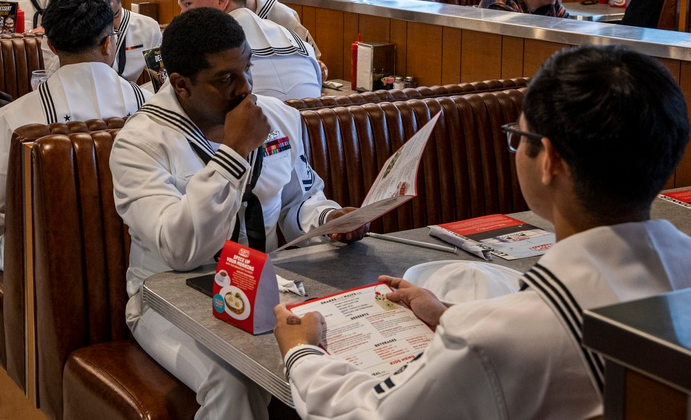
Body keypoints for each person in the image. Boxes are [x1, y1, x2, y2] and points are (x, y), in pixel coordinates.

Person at [275, 44, 691, 420]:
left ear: (549, 160)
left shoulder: (495, 339)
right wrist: (450, 315)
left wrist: (302, 352)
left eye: (518, 136)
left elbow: (370, 414)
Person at [112, 7, 366, 420]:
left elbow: (296, 200)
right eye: (225, 79)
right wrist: (233, 153)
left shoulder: (279, 118)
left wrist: (327, 220)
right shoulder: (139, 143)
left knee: (355, 339)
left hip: (265, 288)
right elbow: (179, 251)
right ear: (181, 84)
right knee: (237, 379)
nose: (245, 88)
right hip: (166, 299)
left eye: (247, 69)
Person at [0, 0, 146, 328]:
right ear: (108, 44)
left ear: (50, 46)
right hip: (140, 250)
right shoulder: (149, 105)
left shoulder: (19, 116)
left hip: (48, 256)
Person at [179, 0, 322, 100]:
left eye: (188, 4)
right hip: (308, 122)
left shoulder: (204, 48)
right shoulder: (295, 38)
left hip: (248, 122)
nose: (181, 15)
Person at [75, 0, 162, 84]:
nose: (111, 26)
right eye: (102, 20)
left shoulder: (148, 29)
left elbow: (161, 77)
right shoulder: (72, 33)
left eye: (115, 15)